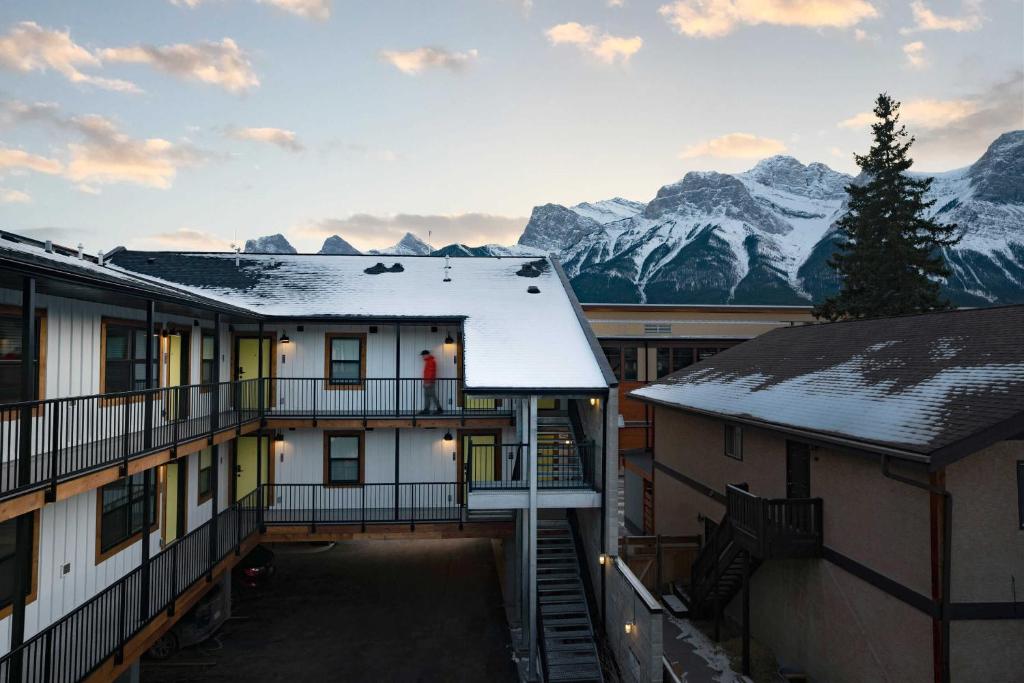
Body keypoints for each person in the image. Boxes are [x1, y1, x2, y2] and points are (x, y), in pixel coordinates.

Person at [420, 349, 442, 415]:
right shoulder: (428, 361)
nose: (422, 357)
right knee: (427, 396)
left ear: (427, 355)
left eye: (423, 355)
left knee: (432, 395)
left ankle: (439, 409)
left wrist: (428, 382)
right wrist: (425, 382)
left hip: (429, 382)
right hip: (427, 382)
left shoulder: (431, 361)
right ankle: (426, 409)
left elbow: (431, 372)